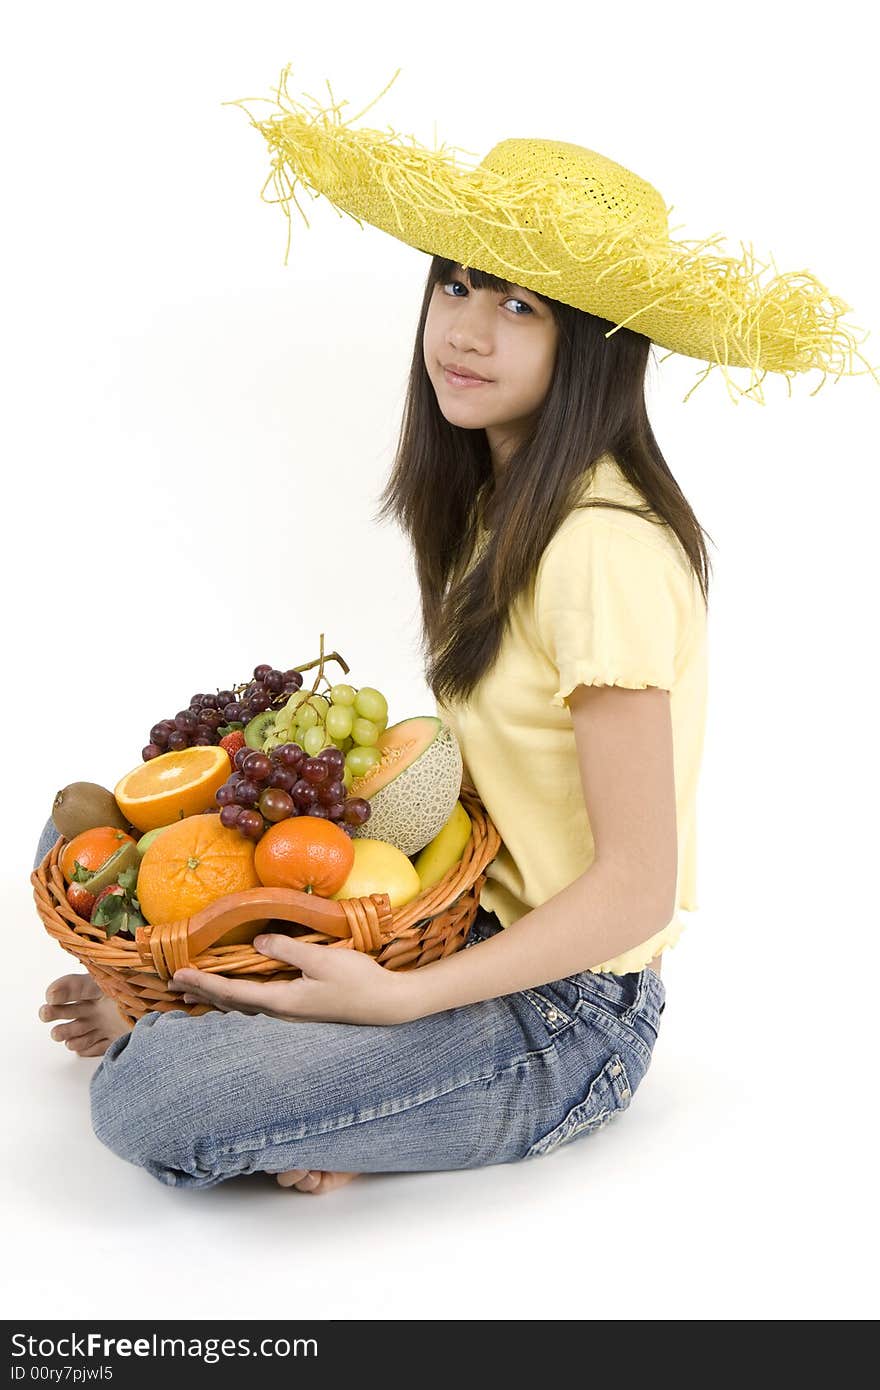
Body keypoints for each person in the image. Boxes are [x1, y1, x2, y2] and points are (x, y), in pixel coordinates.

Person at [33, 64, 876, 1194]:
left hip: (567, 1014)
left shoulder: (602, 548)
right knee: (78, 844)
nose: (467, 332)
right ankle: (268, 1054)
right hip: (458, 920)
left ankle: (286, 1076)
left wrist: (398, 998)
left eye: (521, 306)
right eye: (458, 287)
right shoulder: (498, 503)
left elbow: (637, 886)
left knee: (150, 1097)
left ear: (595, 342)